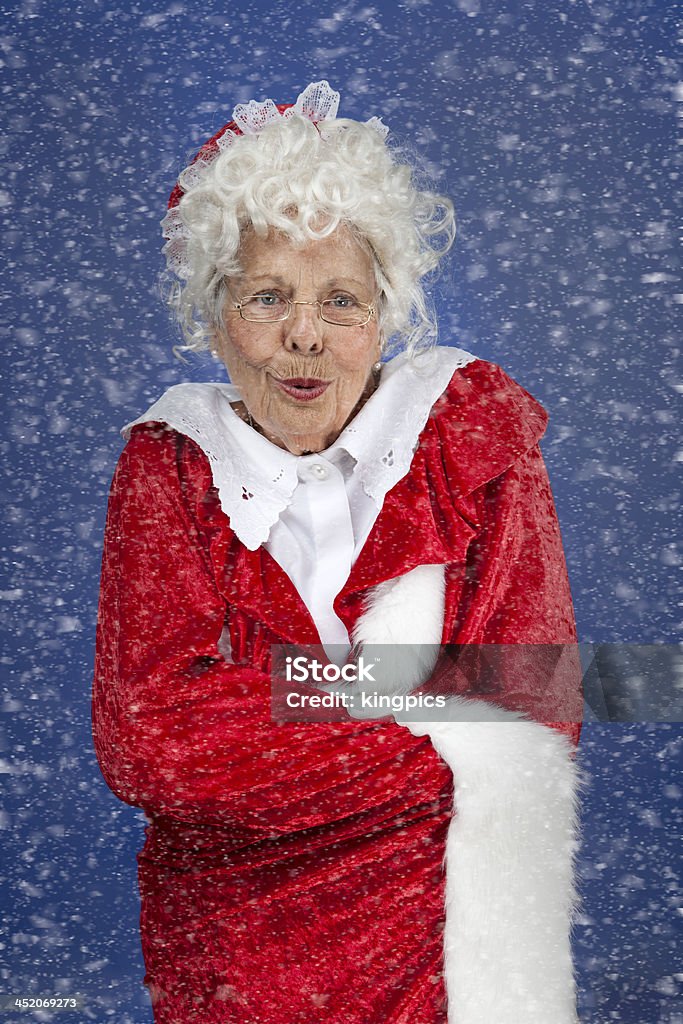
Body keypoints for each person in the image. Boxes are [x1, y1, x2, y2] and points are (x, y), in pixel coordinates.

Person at [92, 81, 586, 1024]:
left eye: (341, 300)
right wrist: (426, 715)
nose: (306, 335)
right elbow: (151, 744)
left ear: (387, 314)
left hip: (440, 940)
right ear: (214, 314)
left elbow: (531, 693)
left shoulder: (469, 441)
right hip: (234, 949)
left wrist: (277, 709)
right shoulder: (169, 464)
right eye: (268, 296)